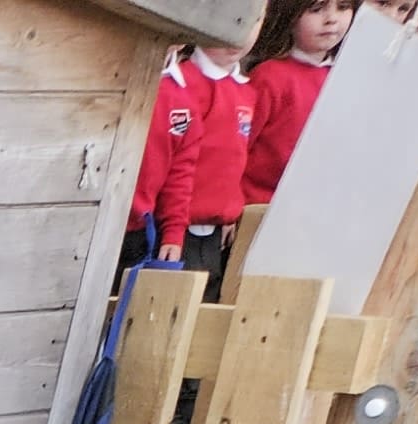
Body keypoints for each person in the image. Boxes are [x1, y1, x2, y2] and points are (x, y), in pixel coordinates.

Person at [128, 38, 260, 275]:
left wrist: (231, 210)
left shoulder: (246, 91)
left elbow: (238, 159)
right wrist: (173, 229)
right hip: (164, 225)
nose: (238, 34)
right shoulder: (187, 85)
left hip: (206, 230)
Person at [244, 0, 351, 208]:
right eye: (317, 9)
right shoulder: (269, 76)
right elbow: (239, 148)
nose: (332, 19)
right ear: (291, 14)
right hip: (256, 207)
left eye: (343, 7)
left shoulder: (346, 76)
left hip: (312, 211)